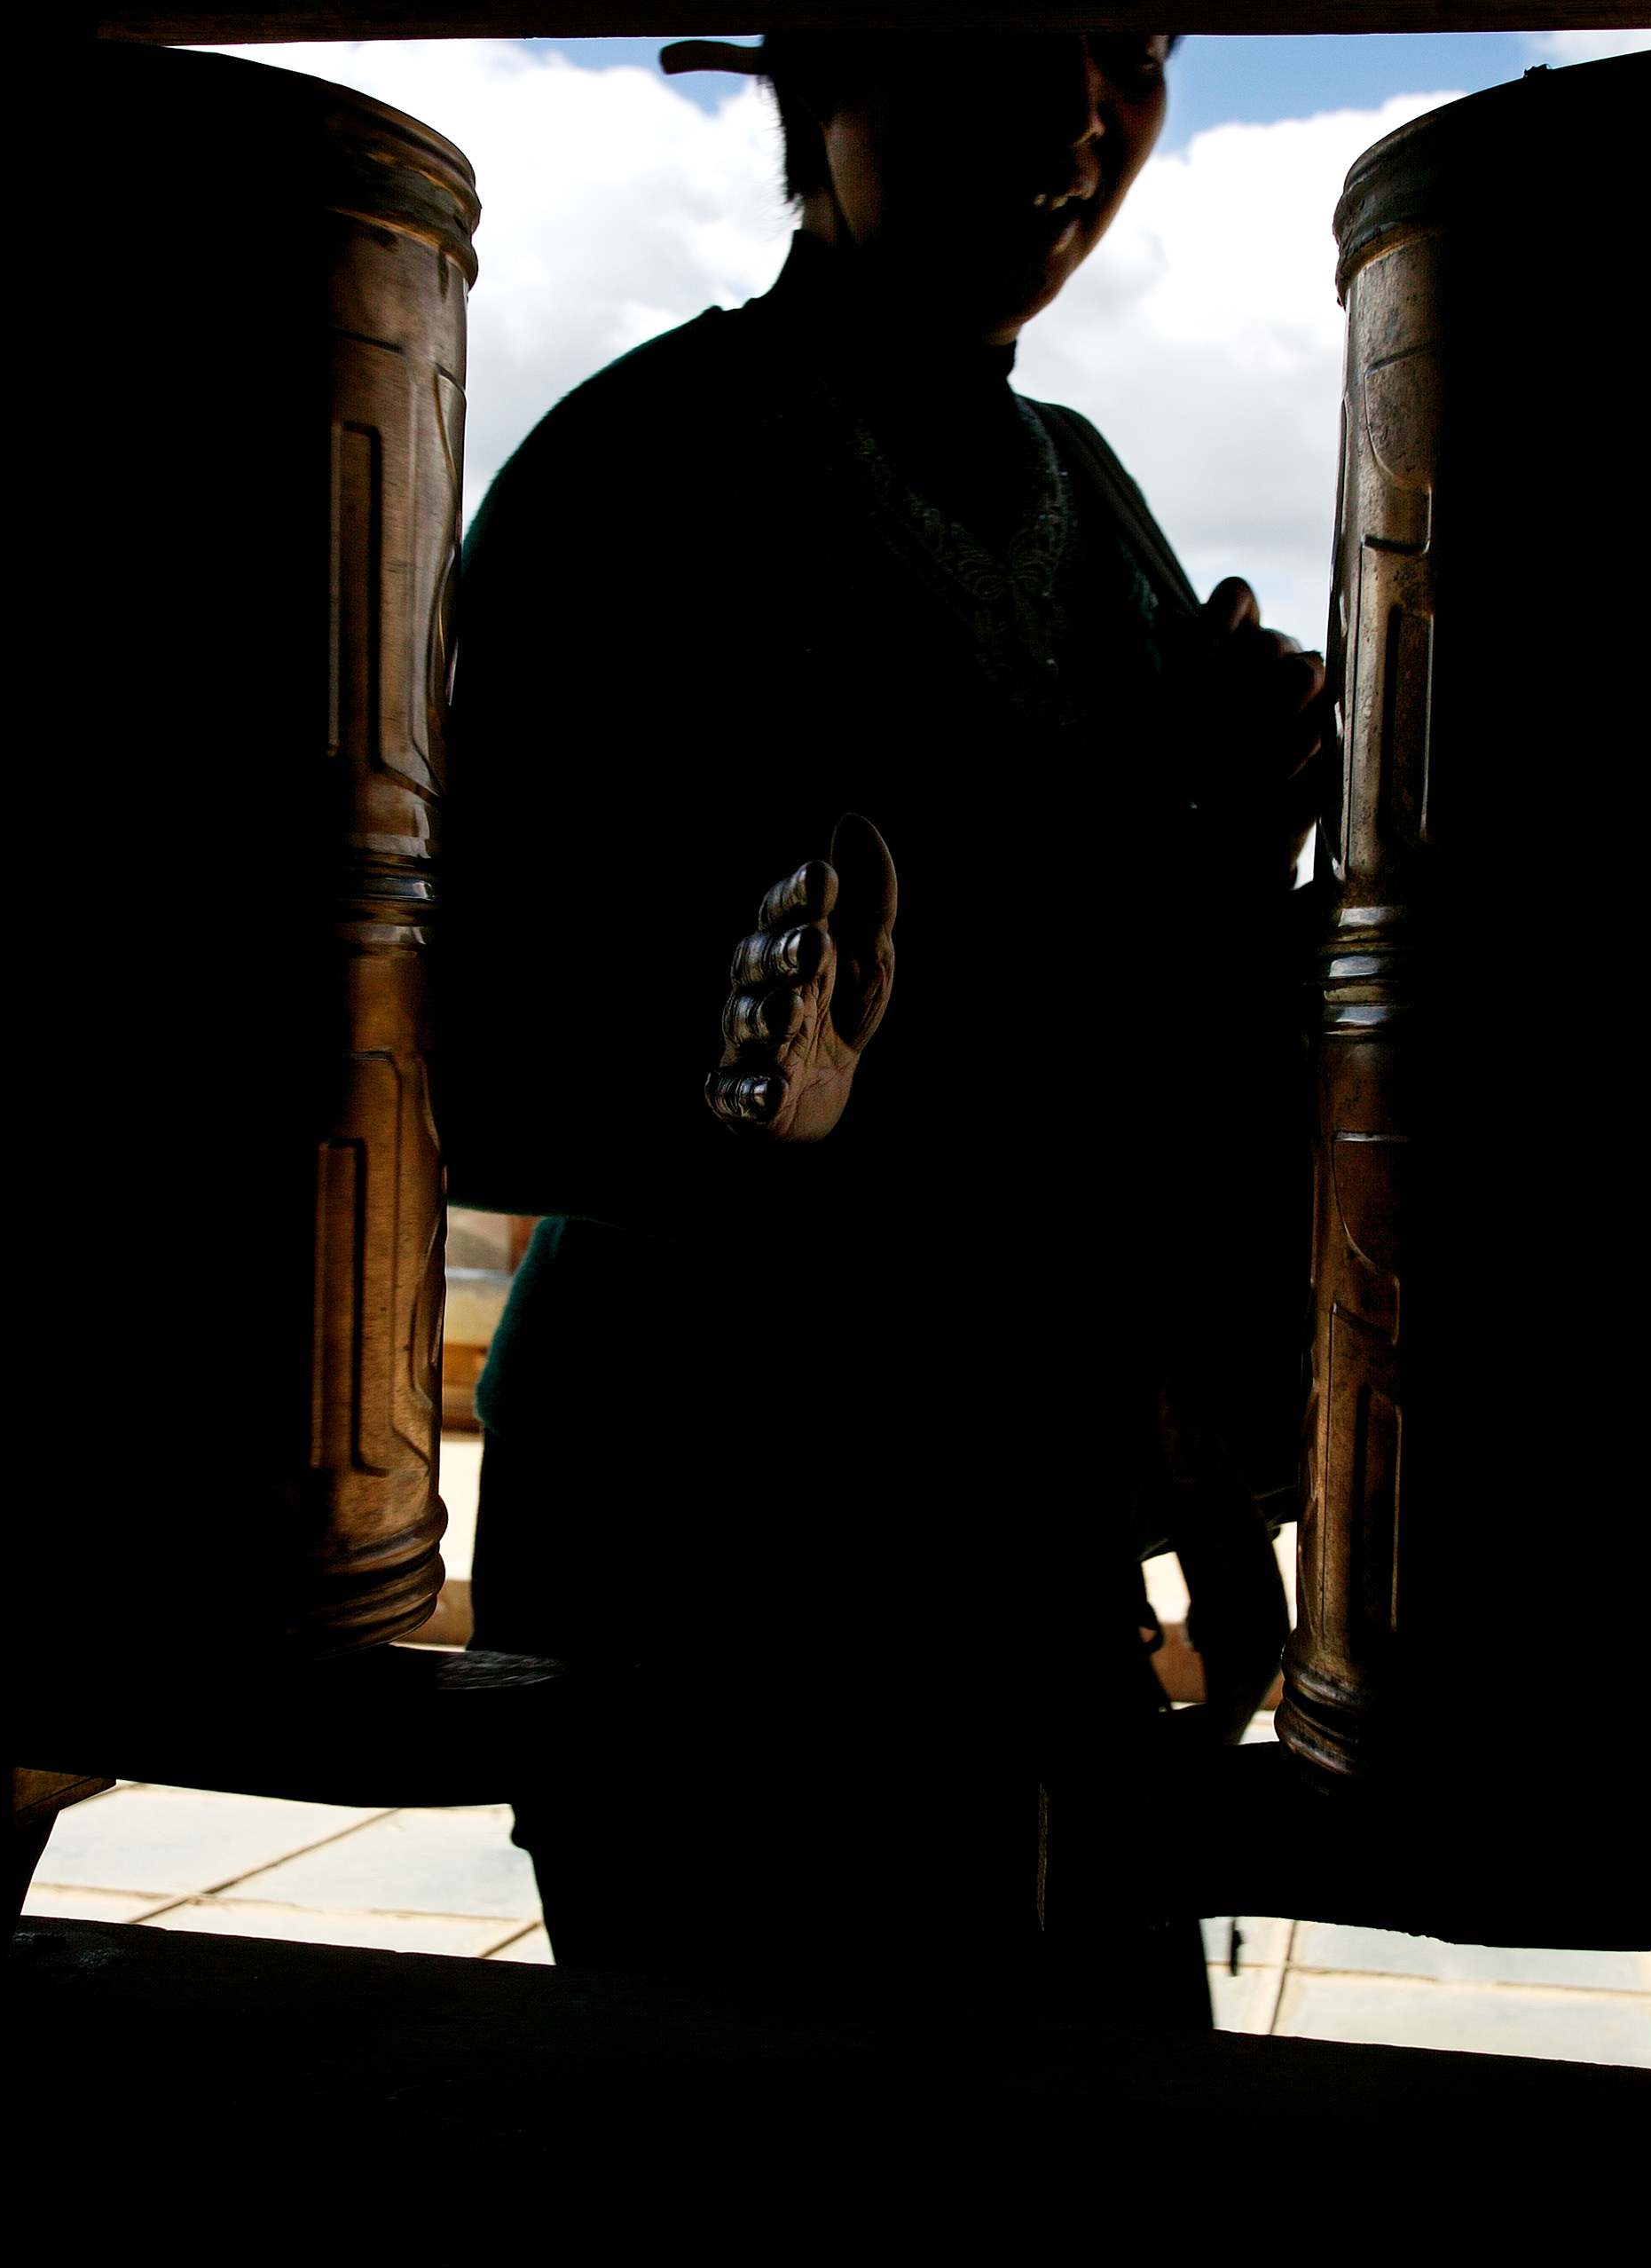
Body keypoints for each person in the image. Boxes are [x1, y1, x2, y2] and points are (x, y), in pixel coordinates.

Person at [437, 31, 1329, 2025]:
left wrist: (1214, 838)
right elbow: (483, 1054)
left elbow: (1131, 1047)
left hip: (1026, 1547)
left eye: (1138, 46)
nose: (1078, 105)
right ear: (814, 67)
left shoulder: (1084, 498)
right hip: (709, 1550)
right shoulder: (640, 471)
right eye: (1011, 21)